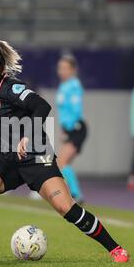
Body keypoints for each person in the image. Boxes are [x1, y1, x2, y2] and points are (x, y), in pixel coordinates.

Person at [0, 40, 129, 262]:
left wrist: (27, 135)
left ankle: (115, 249)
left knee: (66, 208)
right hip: (8, 160)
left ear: (1, 69)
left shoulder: (13, 87)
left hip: (36, 157)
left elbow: (42, 106)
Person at [51, 54, 87, 203]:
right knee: (62, 163)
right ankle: (72, 194)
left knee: (62, 162)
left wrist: (69, 128)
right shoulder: (63, 86)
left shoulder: (74, 85)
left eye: (65, 68)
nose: (61, 71)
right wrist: (63, 129)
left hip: (76, 128)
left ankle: (76, 194)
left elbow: (76, 110)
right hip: (69, 129)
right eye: (60, 68)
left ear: (73, 70)